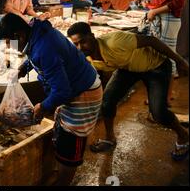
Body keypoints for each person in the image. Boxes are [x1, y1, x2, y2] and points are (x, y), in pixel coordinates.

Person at [0, 13, 103, 185]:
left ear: (19, 35)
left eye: (9, 42)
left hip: (83, 94)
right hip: (75, 88)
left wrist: (42, 106)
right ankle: (58, 170)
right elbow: (34, 53)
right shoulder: (37, 33)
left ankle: (63, 180)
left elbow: (62, 91)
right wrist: (24, 68)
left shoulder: (45, 48)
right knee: (61, 133)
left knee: (71, 142)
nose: (9, 47)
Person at [67, 22, 190, 161]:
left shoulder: (115, 41)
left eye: (83, 42)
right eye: (75, 44)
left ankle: (184, 135)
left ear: (92, 36)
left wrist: (179, 61)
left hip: (156, 66)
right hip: (128, 68)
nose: (80, 47)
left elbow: (152, 40)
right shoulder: (85, 57)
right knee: (107, 102)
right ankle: (110, 139)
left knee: (159, 113)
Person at [142, 0, 189, 104]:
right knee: (159, 56)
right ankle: (160, 96)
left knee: (167, 57)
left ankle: (166, 97)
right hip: (161, 17)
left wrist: (154, 12)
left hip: (169, 19)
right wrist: (150, 4)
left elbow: (177, 3)